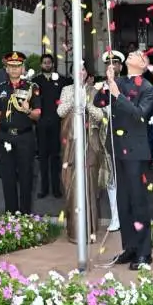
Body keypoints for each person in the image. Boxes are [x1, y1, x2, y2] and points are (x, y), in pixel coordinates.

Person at [94, 47, 153, 270]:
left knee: (138, 201)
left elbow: (139, 114)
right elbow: (99, 102)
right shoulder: (118, 81)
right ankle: (129, 247)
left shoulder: (148, 88)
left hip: (136, 152)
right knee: (123, 200)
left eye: (138, 55)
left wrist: (117, 94)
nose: (132, 54)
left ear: (144, 64)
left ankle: (144, 252)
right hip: (117, 148)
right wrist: (107, 82)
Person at [56, 61, 110, 241]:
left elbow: (101, 116)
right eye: (77, 69)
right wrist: (74, 99)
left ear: (87, 73)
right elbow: (60, 112)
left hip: (90, 144)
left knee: (90, 184)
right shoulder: (67, 90)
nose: (80, 72)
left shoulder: (94, 91)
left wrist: (86, 102)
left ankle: (90, 230)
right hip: (71, 143)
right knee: (71, 182)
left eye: (83, 69)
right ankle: (74, 231)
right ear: (72, 73)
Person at [0, 51, 42, 214]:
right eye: (11, 66)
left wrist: (28, 111)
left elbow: (38, 115)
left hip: (25, 137)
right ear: (6, 68)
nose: (14, 70)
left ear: (23, 68)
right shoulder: (0, 88)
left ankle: (26, 215)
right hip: (5, 137)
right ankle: (11, 215)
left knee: (26, 176)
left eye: (17, 66)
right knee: (7, 177)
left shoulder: (32, 88)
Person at [33, 52, 70, 199]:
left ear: (53, 64)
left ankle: (56, 189)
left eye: (49, 62)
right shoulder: (35, 81)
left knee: (55, 157)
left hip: (56, 123)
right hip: (41, 124)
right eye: (44, 63)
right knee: (42, 157)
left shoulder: (61, 81)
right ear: (41, 65)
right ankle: (43, 189)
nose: (47, 65)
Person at [100, 50, 125, 231]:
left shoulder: (129, 84)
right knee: (112, 179)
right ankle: (115, 217)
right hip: (108, 134)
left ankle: (128, 216)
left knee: (129, 177)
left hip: (127, 137)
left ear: (121, 66)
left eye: (115, 63)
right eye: (108, 63)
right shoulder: (101, 87)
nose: (112, 66)